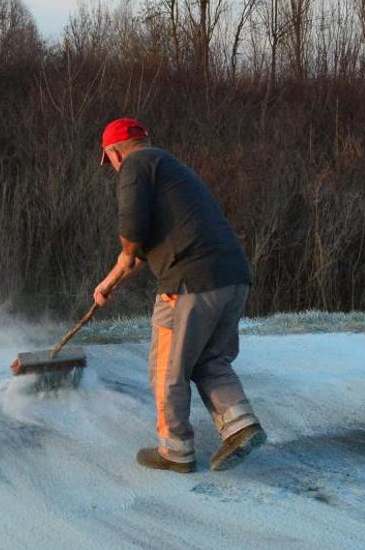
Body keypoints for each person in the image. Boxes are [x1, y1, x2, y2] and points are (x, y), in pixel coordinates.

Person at [91, 118, 267, 473]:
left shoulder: (136, 164)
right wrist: (107, 284)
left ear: (114, 152)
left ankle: (175, 450)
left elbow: (132, 233)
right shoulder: (171, 170)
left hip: (189, 283)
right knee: (210, 360)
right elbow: (137, 254)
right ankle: (241, 427)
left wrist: (122, 260)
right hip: (233, 277)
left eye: (109, 160)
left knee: (167, 368)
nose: (113, 168)